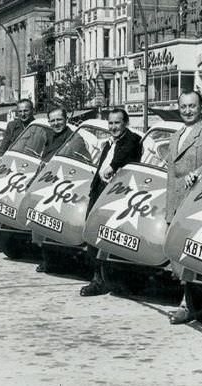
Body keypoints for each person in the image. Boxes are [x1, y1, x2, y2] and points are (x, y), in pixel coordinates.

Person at [166, 91, 202, 325]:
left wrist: (198, 173)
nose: (187, 110)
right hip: (175, 201)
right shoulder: (175, 135)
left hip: (196, 203)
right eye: (183, 106)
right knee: (176, 254)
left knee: (192, 254)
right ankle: (188, 301)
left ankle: (187, 305)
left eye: (192, 106)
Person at [80, 108, 142, 297]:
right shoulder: (108, 143)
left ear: (126, 123)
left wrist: (113, 167)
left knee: (110, 236)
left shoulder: (132, 139)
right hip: (99, 192)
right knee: (92, 234)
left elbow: (124, 155)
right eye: (111, 123)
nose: (114, 127)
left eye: (118, 123)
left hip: (117, 196)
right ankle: (97, 277)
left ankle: (107, 280)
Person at [35, 106, 76, 272]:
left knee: (56, 224)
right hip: (46, 182)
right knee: (42, 223)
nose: (56, 123)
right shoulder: (49, 135)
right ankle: (46, 260)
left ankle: (56, 262)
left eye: (59, 119)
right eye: (52, 120)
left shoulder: (73, 137)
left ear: (66, 119)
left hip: (61, 186)